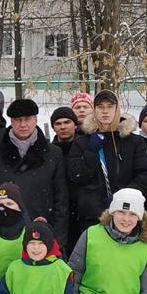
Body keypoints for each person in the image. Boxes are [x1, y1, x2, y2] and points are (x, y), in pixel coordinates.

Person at [68, 90, 147, 241]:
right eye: (100, 107)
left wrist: (123, 197)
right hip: (93, 217)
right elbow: (76, 176)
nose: (105, 111)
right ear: (94, 110)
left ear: (117, 110)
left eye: (110, 106)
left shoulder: (133, 142)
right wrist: (91, 151)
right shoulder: (82, 141)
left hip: (127, 217)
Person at [0, 98, 68, 246]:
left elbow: (61, 201)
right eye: (18, 120)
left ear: (35, 120)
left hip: (40, 233)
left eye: (28, 119)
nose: (23, 124)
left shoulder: (53, 153)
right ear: (11, 121)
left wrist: (58, 241)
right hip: (3, 232)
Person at [50, 106, 82, 252]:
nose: (63, 127)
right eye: (58, 123)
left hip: (82, 210)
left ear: (75, 124)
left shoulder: (85, 147)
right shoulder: (48, 152)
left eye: (67, 122)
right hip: (58, 212)